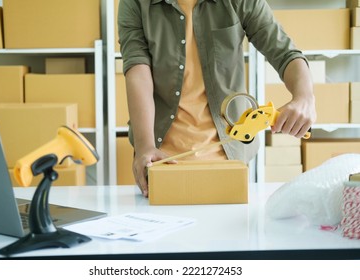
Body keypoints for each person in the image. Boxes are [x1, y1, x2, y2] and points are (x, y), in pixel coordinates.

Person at [118, 0, 316, 197]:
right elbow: (137, 67)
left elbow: (283, 52)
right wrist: (145, 147)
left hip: (229, 158)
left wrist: (304, 97)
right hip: (162, 161)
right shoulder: (136, 3)